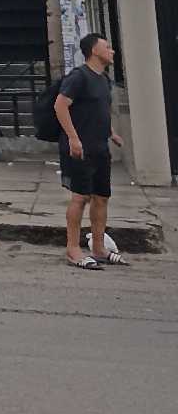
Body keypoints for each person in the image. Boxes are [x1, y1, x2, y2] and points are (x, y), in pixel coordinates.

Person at [52, 33, 125, 270]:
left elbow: (99, 109)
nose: (112, 51)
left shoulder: (103, 80)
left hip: (100, 146)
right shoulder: (78, 77)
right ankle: (73, 249)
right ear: (94, 50)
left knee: (101, 197)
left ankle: (99, 248)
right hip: (79, 148)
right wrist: (73, 138)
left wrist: (111, 133)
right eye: (107, 47)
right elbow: (60, 105)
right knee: (80, 197)